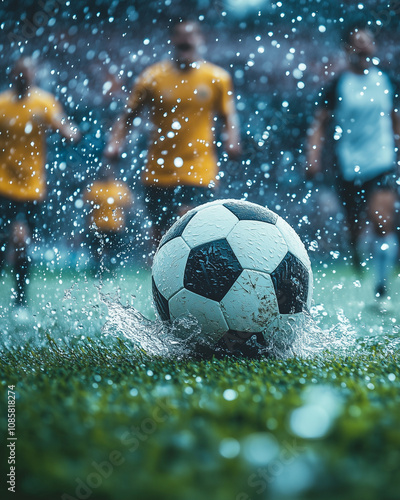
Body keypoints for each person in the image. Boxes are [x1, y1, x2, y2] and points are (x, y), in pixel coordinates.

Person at [105, 19, 241, 250]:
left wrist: (232, 140)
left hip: (200, 168)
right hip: (159, 168)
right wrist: (115, 143)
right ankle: (163, 282)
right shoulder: (152, 78)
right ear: (173, 41)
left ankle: (196, 281)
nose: (186, 40)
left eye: (191, 35)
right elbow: (127, 116)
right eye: (180, 35)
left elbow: (229, 116)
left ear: (200, 40)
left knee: (190, 223)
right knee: (161, 235)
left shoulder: (217, 78)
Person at [306, 21, 400, 298]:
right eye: (357, 43)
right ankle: (358, 253)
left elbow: (396, 121)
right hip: (348, 164)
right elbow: (319, 123)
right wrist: (312, 155)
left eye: (367, 42)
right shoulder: (338, 85)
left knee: (383, 221)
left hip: (381, 160)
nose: (362, 48)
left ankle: (381, 283)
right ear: (347, 49)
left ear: (373, 47)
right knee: (355, 228)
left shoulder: (386, 80)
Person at [0, 56, 81, 309]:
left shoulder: (44, 103)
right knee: (9, 244)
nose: (23, 77)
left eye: (28, 73)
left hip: (32, 188)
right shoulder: (2, 104)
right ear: (12, 75)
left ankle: (21, 301)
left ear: (34, 75)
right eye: (19, 72)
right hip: (3, 185)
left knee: (22, 242)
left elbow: (66, 127)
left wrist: (70, 132)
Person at [84, 164, 133, 274]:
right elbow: (87, 206)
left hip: (114, 225)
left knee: (112, 251)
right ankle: (97, 270)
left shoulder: (119, 187)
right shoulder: (95, 187)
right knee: (97, 251)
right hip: (98, 225)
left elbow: (128, 205)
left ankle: (111, 270)